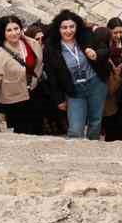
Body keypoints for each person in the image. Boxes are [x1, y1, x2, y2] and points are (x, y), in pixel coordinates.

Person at [40, 10, 106, 140]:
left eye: (71, 27)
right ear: (58, 29)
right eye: (64, 27)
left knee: (96, 121)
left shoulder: (86, 36)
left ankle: (93, 151)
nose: (68, 31)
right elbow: (52, 76)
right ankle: (76, 155)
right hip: (73, 89)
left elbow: (105, 50)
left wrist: (95, 53)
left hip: (94, 84)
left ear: (77, 27)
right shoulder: (51, 47)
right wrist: (59, 99)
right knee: (75, 128)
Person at [0, 16, 44, 135]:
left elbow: (39, 65)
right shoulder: (0, 55)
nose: (14, 33)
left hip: (34, 95)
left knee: (37, 132)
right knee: (21, 136)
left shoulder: (32, 44)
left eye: (16, 28)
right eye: (9, 30)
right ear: (3, 33)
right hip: (14, 102)